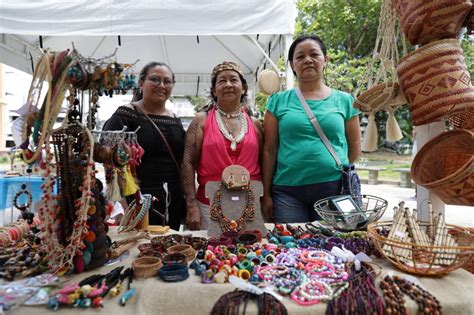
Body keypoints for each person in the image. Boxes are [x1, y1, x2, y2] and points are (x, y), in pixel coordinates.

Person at [262, 35, 361, 223]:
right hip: (287, 192)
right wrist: (265, 194)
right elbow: (269, 150)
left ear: (325, 59)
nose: (307, 60)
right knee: (291, 247)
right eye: (300, 57)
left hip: (334, 189)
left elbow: (354, 149)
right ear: (292, 65)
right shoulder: (277, 102)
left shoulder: (346, 101)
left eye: (314, 54)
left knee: (335, 247)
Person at [103, 61, 186, 231]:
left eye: (167, 81)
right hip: (138, 200)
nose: (161, 85)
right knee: (143, 252)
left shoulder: (175, 120)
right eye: (155, 79)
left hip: (173, 199)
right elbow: (109, 164)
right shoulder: (125, 116)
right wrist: (125, 207)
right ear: (141, 83)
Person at [182, 61, 263, 230]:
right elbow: (188, 162)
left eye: (233, 80)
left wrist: (267, 197)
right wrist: (191, 205)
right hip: (208, 205)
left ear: (244, 88)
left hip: (249, 205)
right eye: (221, 81)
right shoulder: (201, 121)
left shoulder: (255, 124)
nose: (228, 85)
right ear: (213, 90)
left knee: (250, 252)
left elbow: (264, 162)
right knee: (213, 253)